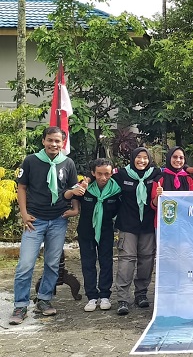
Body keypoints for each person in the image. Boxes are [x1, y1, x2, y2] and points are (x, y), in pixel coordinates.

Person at [9, 127, 81, 325]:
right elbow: (21, 187)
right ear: (43, 141)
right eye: (50, 140)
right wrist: (23, 214)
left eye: (58, 141)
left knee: (52, 263)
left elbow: (73, 188)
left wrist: (75, 209)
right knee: (25, 264)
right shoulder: (31, 161)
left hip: (58, 220)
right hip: (35, 221)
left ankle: (44, 299)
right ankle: (20, 304)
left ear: (63, 143)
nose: (54, 144)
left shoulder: (68, 163)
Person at [112, 147, 161, 316]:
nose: (142, 161)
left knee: (147, 260)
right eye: (138, 157)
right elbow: (102, 178)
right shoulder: (122, 174)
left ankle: (141, 294)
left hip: (148, 224)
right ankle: (122, 298)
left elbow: (175, 170)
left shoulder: (155, 173)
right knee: (126, 260)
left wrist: (192, 171)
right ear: (133, 158)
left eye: (145, 158)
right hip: (128, 224)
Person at [73, 158, 121, 312]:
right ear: (93, 173)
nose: (103, 178)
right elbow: (67, 195)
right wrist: (76, 194)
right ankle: (92, 296)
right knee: (88, 263)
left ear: (112, 173)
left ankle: (105, 295)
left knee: (106, 262)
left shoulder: (116, 190)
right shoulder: (84, 187)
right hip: (86, 231)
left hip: (106, 231)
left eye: (107, 174)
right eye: (99, 174)